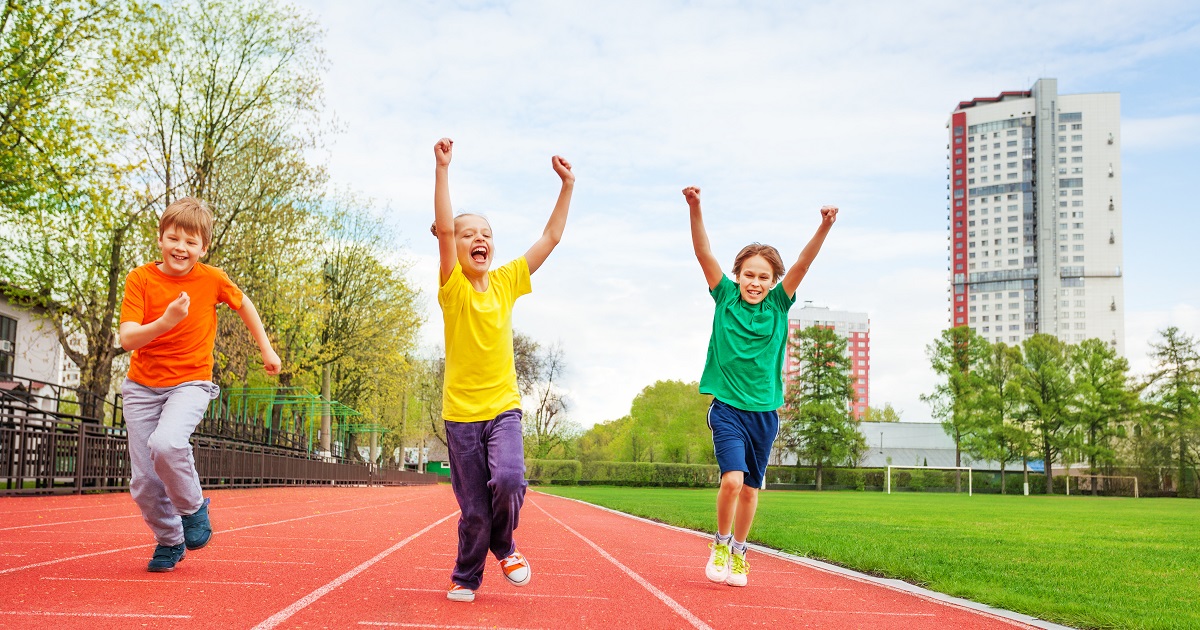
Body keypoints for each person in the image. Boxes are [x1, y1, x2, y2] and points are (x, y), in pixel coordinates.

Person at [432, 138, 575, 603]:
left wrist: (567, 186)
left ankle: (505, 542)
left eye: (486, 234)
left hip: (503, 408)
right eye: (468, 233)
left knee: (511, 480)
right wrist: (442, 168)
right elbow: (446, 230)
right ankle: (468, 575)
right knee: (473, 509)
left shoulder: (509, 281)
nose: (479, 239)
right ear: (453, 244)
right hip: (460, 415)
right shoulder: (452, 286)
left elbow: (551, 238)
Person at [683, 185, 836, 587]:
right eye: (748, 275)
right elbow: (703, 253)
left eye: (762, 277)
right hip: (729, 407)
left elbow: (803, 263)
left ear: (773, 281)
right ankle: (719, 542)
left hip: (765, 414)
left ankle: (739, 549)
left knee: (751, 491)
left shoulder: (779, 305)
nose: (754, 282)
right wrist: (696, 206)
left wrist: (823, 227)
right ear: (737, 276)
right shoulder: (725, 298)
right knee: (731, 480)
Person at [119, 197, 281, 572]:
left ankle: (193, 507)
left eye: (191, 242)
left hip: (190, 382)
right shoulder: (140, 279)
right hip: (141, 387)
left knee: (167, 443)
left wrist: (267, 348)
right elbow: (128, 339)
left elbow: (244, 305)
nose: (181, 248)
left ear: (203, 248)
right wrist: (167, 320)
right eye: (174, 238)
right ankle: (169, 540)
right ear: (160, 238)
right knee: (143, 482)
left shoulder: (211, 278)